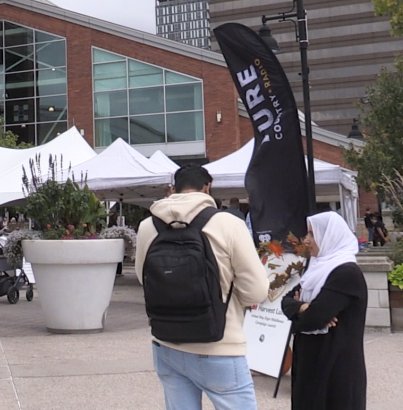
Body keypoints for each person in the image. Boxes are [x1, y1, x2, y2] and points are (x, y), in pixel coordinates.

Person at [136, 165, 269, 410]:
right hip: (219, 344)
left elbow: (144, 278)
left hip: (166, 343)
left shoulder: (148, 226)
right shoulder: (227, 223)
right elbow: (257, 291)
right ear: (207, 187)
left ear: (173, 189)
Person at [281, 211, 367, 410]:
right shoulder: (315, 270)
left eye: (312, 234)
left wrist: (304, 312)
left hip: (335, 364)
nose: (306, 240)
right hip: (310, 359)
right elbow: (285, 302)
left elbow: (314, 319)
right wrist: (302, 307)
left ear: (329, 237)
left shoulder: (346, 273)